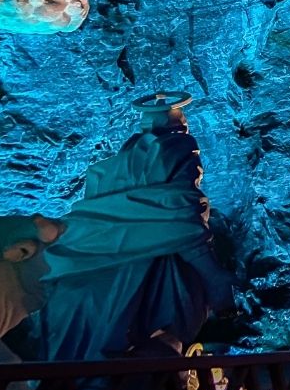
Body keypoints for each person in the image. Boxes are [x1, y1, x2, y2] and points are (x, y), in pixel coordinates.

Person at [35, 91, 235, 362]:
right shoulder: (179, 146)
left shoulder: (121, 160)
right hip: (149, 257)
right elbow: (181, 208)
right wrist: (215, 277)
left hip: (94, 246)